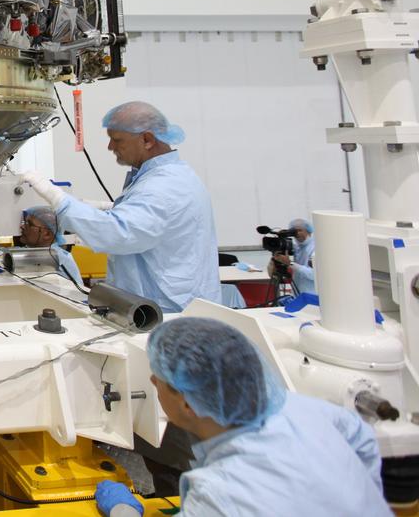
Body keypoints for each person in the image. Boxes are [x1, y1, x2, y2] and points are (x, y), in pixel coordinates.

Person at [94, 317, 391, 517]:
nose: (152, 381)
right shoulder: (306, 409)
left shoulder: (220, 494)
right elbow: (364, 443)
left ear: (187, 404)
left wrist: (124, 510)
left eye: (158, 377)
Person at [20, 101, 223, 313]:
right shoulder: (169, 176)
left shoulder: (163, 186)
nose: (110, 147)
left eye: (116, 140)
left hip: (170, 311)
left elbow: (117, 234)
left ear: (147, 139)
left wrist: (56, 196)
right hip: (170, 304)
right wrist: (98, 208)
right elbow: (145, 221)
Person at [17, 206, 85, 289]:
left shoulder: (59, 259)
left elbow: (75, 296)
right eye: (24, 222)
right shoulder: (36, 253)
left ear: (47, 234)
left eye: (29, 224)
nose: (22, 226)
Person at [269, 217, 315, 294]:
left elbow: (313, 275)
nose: (297, 234)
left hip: (312, 294)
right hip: (297, 292)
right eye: (294, 231)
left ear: (309, 231)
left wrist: (290, 263)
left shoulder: (315, 247)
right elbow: (273, 274)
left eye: (300, 230)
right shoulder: (295, 247)